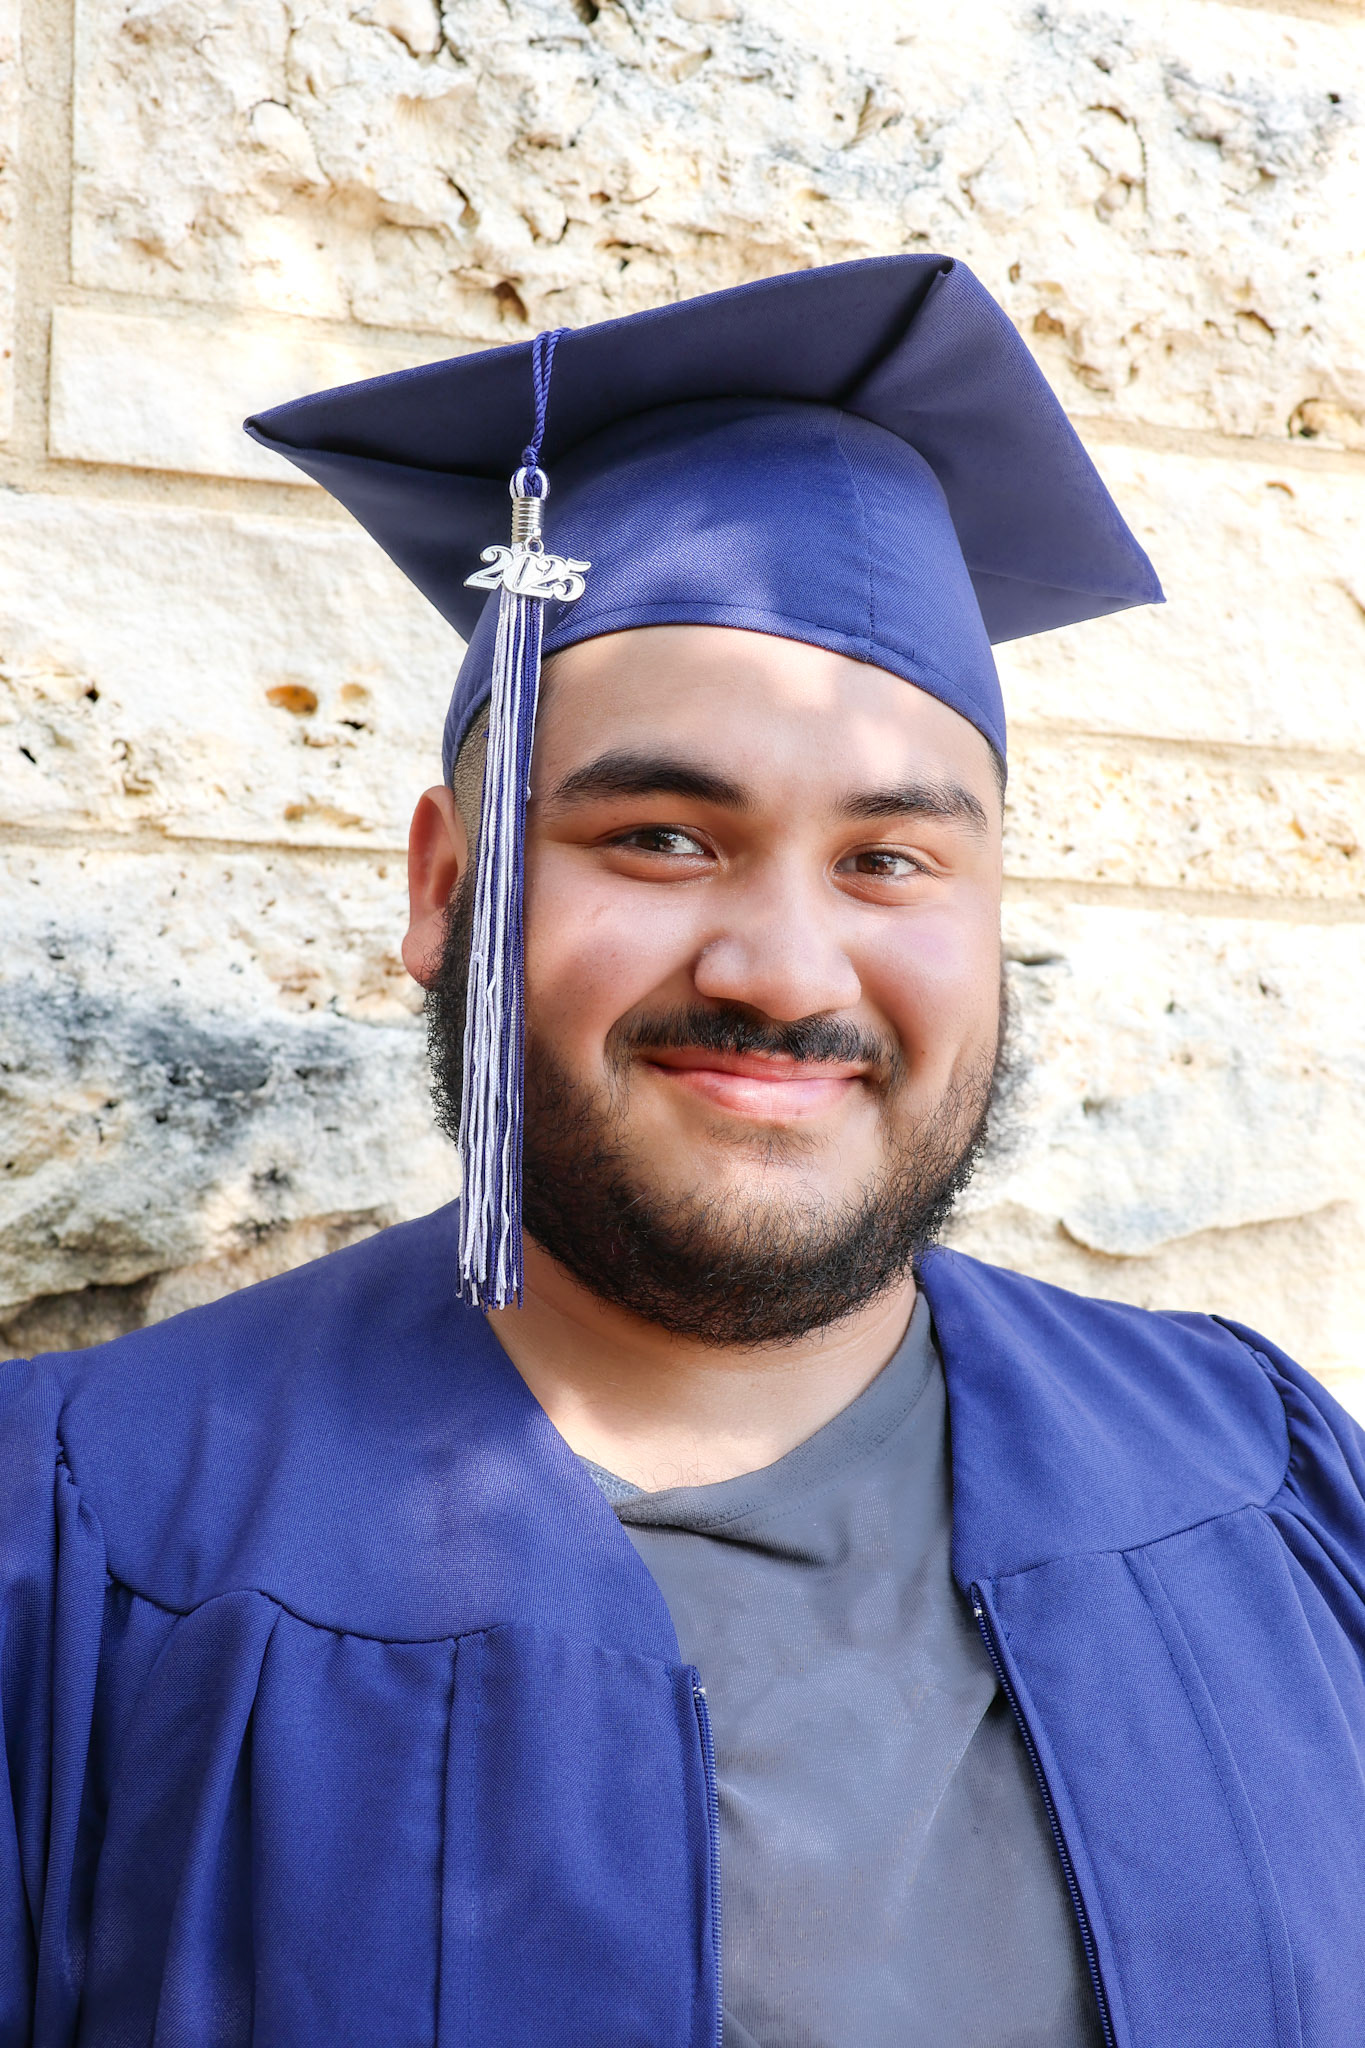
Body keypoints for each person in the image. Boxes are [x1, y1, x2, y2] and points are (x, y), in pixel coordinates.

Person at [2, 256, 1363, 2048]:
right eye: (658, 836)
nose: (784, 972)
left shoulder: (1263, 1471)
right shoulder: (73, 1539)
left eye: (889, 861)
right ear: (444, 888)